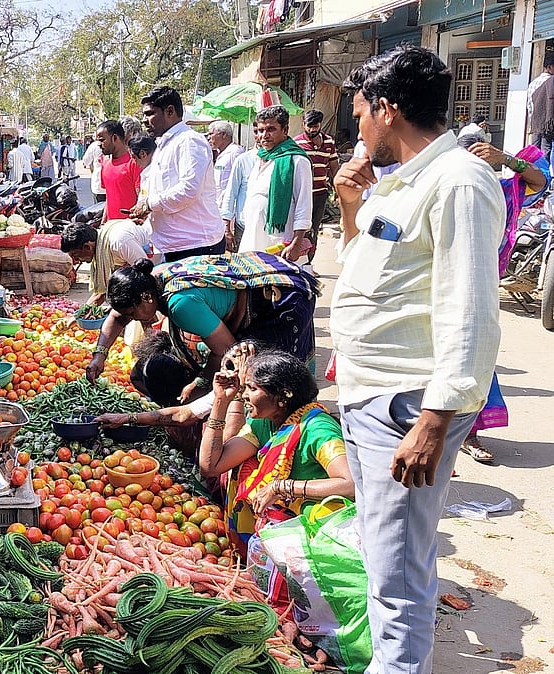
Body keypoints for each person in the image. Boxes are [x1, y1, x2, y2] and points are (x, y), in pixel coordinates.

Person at [331, 45, 504, 674]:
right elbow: (373, 274)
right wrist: (353, 212)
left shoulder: (459, 180)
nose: (358, 132)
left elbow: (472, 309)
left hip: (407, 403)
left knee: (397, 570)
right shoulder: (401, 184)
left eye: (359, 117)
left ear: (388, 110)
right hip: (373, 393)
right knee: (387, 557)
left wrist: (433, 420)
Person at [86, 252, 321, 403]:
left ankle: (295, 418)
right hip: (259, 279)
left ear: (147, 298)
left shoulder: (181, 304)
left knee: (268, 372)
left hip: (281, 297)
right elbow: (117, 317)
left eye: (133, 313)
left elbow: (228, 351)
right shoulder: (149, 278)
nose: (135, 319)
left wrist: (199, 385)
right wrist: (99, 355)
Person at [199, 346, 354, 553]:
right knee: (241, 468)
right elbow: (211, 465)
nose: (244, 395)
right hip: (281, 519)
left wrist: (282, 487)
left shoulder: (318, 429)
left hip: (318, 525)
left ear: (282, 395)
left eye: (252, 389)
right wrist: (221, 400)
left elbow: (350, 484)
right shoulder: (264, 423)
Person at [457, 137, 550, 463]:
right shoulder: (441, 185)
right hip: (433, 287)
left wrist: (504, 158)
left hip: (478, 291)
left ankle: (469, 435)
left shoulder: (500, 190)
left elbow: (540, 179)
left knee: (473, 362)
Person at [127, 86, 226, 261]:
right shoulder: (164, 144)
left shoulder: (189, 141)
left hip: (196, 245)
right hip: (173, 245)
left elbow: (189, 190)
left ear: (170, 111)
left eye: (150, 114)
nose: (144, 120)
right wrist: (146, 210)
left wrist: (149, 204)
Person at [239, 106, 312, 261]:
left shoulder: (297, 161)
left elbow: (304, 206)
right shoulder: (259, 158)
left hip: (280, 242)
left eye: (271, 129)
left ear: (285, 129)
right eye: (260, 130)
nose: (264, 135)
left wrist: (297, 243)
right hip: (252, 238)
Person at [61, 220, 149, 306]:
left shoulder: (118, 243)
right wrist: (82, 313)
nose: (75, 260)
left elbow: (146, 272)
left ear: (87, 247)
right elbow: (103, 290)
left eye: (75, 254)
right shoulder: (101, 246)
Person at [295, 109, 339, 266]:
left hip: (320, 194)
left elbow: (334, 167)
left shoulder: (329, 142)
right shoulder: (297, 143)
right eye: (309, 126)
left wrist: (338, 190)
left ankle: (308, 264)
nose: (312, 129)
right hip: (301, 196)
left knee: (314, 229)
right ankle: (299, 263)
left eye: (316, 125)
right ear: (304, 125)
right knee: (301, 229)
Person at [97, 120, 142, 222]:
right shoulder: (105, 163)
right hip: (112, 227)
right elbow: (109, 198)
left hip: (130, 229)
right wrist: (104, 222)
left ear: (115, 138)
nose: (99, 144)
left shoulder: (135, 162)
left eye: (102, 140)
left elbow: (141, 198)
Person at [221, 149, 258, 252]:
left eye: (270, 131)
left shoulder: (285, 160)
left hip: (274, 231)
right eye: (258, 131)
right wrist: (226, 229)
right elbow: (231, 193)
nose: (263, 135)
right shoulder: (243, 160)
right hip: (244, 227)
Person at [208, 120, 245, 205]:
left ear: (223, 134)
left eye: (211, 134)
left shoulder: (235, 152)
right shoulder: (219, 154)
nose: (209, 138)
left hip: (230, 205)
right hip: (217, 203)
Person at [528, 53, 554, 153]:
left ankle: (533, 168)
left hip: (535, 123)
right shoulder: (550, 82)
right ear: (549, 67)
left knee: (535, 152)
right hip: (546, 124)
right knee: (546, 150)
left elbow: (530, 106)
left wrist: (533, 122)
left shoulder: (533, 82)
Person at [82, 136, 107, 202]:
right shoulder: (116, 145)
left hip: (98, 185)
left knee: (98, 209)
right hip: (111, 186)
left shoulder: (94, 146)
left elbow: (85, 161)